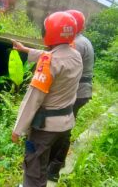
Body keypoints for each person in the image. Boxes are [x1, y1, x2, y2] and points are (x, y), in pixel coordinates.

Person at [11, 11, 83, 187]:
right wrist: (25, 49)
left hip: (45, 129)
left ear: (48, 33)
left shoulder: (49, 62)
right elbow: (54, 56)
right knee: (46, 164)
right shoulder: (76, 56)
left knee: (34, 170)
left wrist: (17, 129)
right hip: (65, 125)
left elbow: (33, 99)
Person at [47, 10, 95, 182]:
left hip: (77, 92)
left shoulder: (77, 44)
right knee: (64, 126)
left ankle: (53, 168)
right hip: (82, 91)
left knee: (63, 128)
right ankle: (57, 163)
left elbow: (64, 66)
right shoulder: (83, 41)